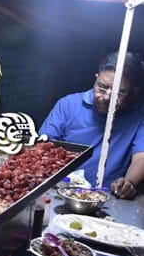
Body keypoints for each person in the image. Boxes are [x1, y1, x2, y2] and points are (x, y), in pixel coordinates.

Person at [39, 50, 144, 199]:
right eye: (102, 87)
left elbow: (141, 156)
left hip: (109, 197)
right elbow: (43, 146)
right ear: (96, 79)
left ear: (134, 93)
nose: (107, 97)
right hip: (61, 193)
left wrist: (128, 183)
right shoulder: (68, 105)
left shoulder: (140, 116)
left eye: (119, 93)